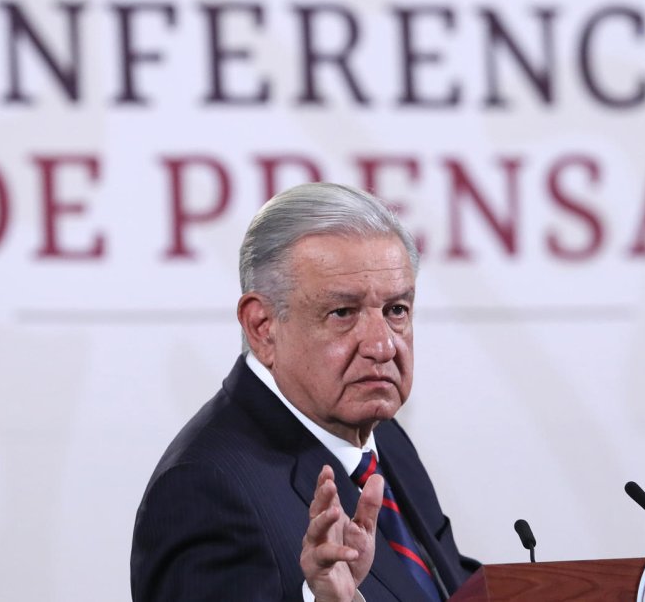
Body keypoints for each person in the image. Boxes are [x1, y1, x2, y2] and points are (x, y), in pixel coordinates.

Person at [131, 182, 479, 601]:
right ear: (263, 326)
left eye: (396, 310)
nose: (383, 346)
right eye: (343, 313)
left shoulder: (381, 435)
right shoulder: (203, 490)